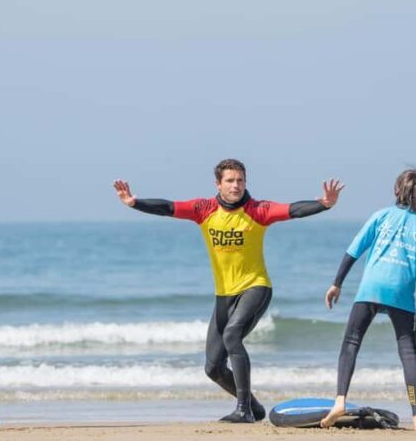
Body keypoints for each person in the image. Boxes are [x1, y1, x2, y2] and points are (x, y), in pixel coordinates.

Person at [114, 159, 344, 423]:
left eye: (240, 180)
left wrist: (323, 204)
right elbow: (168, 207)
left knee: (232, 336)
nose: (236, 185)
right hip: (224, 295)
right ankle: (255, 408)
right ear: (218, 184)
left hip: (255, 287)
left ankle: (243, 409)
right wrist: (134, 202)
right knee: (212, 367)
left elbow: (292, 210)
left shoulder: (258, 210)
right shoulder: (204, 209)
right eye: (230, 181)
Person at [320, 169, 416, 431]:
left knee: (351, 342)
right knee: (408, 353)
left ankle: (339, 400)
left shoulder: (381, 216)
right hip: (401, 295)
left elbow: (354, 250)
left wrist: (336, 283)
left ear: (397, 190)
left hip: (371, 289)